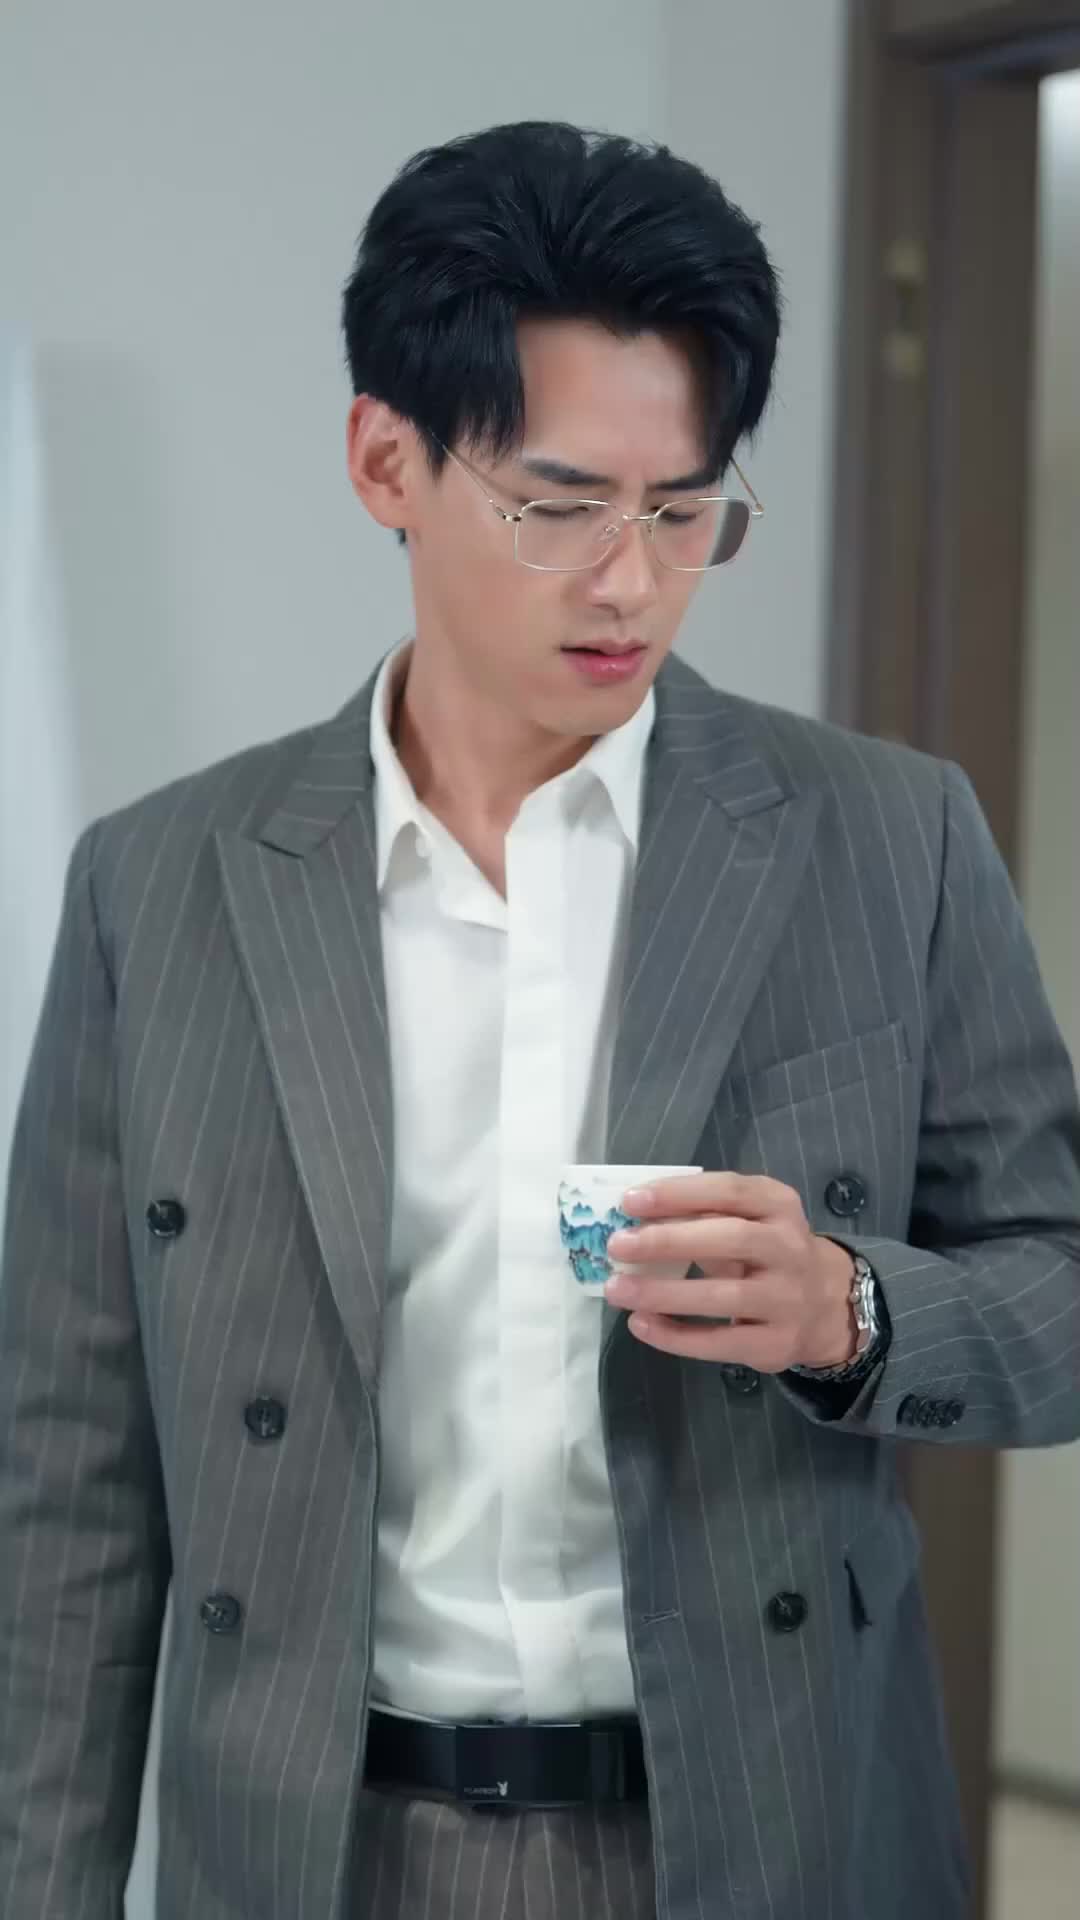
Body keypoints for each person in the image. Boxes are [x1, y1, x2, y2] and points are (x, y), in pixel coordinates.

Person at [2, 118, 1079, 1920]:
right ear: (387, 461)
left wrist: (854, 1309)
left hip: (764, 1830)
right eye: (560, 506)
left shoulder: (889, 838)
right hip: (315, 1849)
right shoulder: (160, 885)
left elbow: (1060, 1282)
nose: (630, 579)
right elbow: (65, 1476)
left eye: (683, 510)